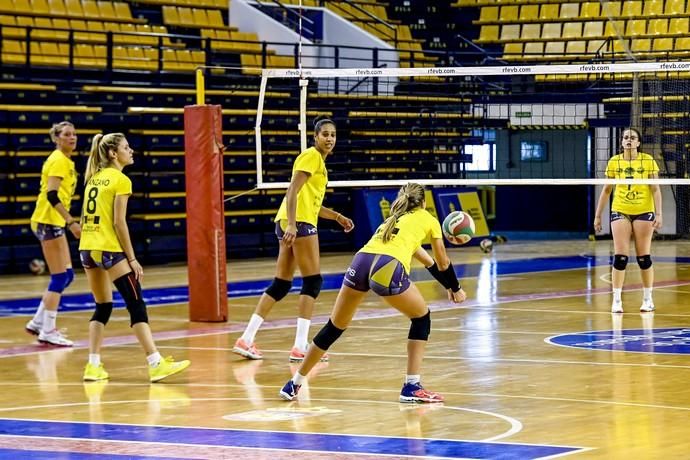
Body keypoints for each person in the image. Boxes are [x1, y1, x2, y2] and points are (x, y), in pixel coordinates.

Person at [280, 183, 466, 403]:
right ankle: (412, 386)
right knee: (421, 318)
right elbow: (442, 262)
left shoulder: (392, 220)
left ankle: (295, 383)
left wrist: (448, 286)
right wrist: (456, 287)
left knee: (334, 327)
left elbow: (429, 263)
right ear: (424, 203)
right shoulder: (428, 219)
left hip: (361, 261)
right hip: (386, 268)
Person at [232, 116, 354, 362]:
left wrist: (338, 217)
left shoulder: (319, 162)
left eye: (333, 134)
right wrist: (291, 224)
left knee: (281, 284)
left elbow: (313, 204)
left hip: (293, 221)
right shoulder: (311, 156)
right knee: (312, 282)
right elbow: (292, 192)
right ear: (315, 137)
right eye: (325, 134)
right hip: (297, 224)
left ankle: (246, 338)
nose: (329, 138)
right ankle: (300, 346)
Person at [79, 133, 190, 382]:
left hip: (87, 247)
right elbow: (119, 223)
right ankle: (155, 362)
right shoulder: (120, 180)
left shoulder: (93, 179)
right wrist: (132, 258)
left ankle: (93, 366)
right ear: (113, 154)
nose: (132, 151)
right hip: (108, 248)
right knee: (136, 303)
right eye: (126, 148)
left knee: (103, 306)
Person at [594, 127, 662, 313]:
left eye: (632, 137)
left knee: (643, 257)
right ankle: (616, 300)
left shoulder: (647, 160)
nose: (629, 140)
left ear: (638, 142)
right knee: (620, 257)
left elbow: (655, 189)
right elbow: (607, 190)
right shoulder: (614, 162)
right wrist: (598, 215)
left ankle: (647, 299)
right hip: (620, 210)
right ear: (622, 142)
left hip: (644, 211)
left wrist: (659, 213)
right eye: (625, 138)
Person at [25, 121, 81, 346]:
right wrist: (71, 222)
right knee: (59, 277)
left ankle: (38, 322)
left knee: (67, 276)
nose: (72, 138)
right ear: (56, 138)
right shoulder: (58, 160)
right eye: (67, 134)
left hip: (53, 221)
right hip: (48, 221)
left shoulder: (65, 161)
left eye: (74, 134)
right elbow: (51, 195)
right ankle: (48, 330)